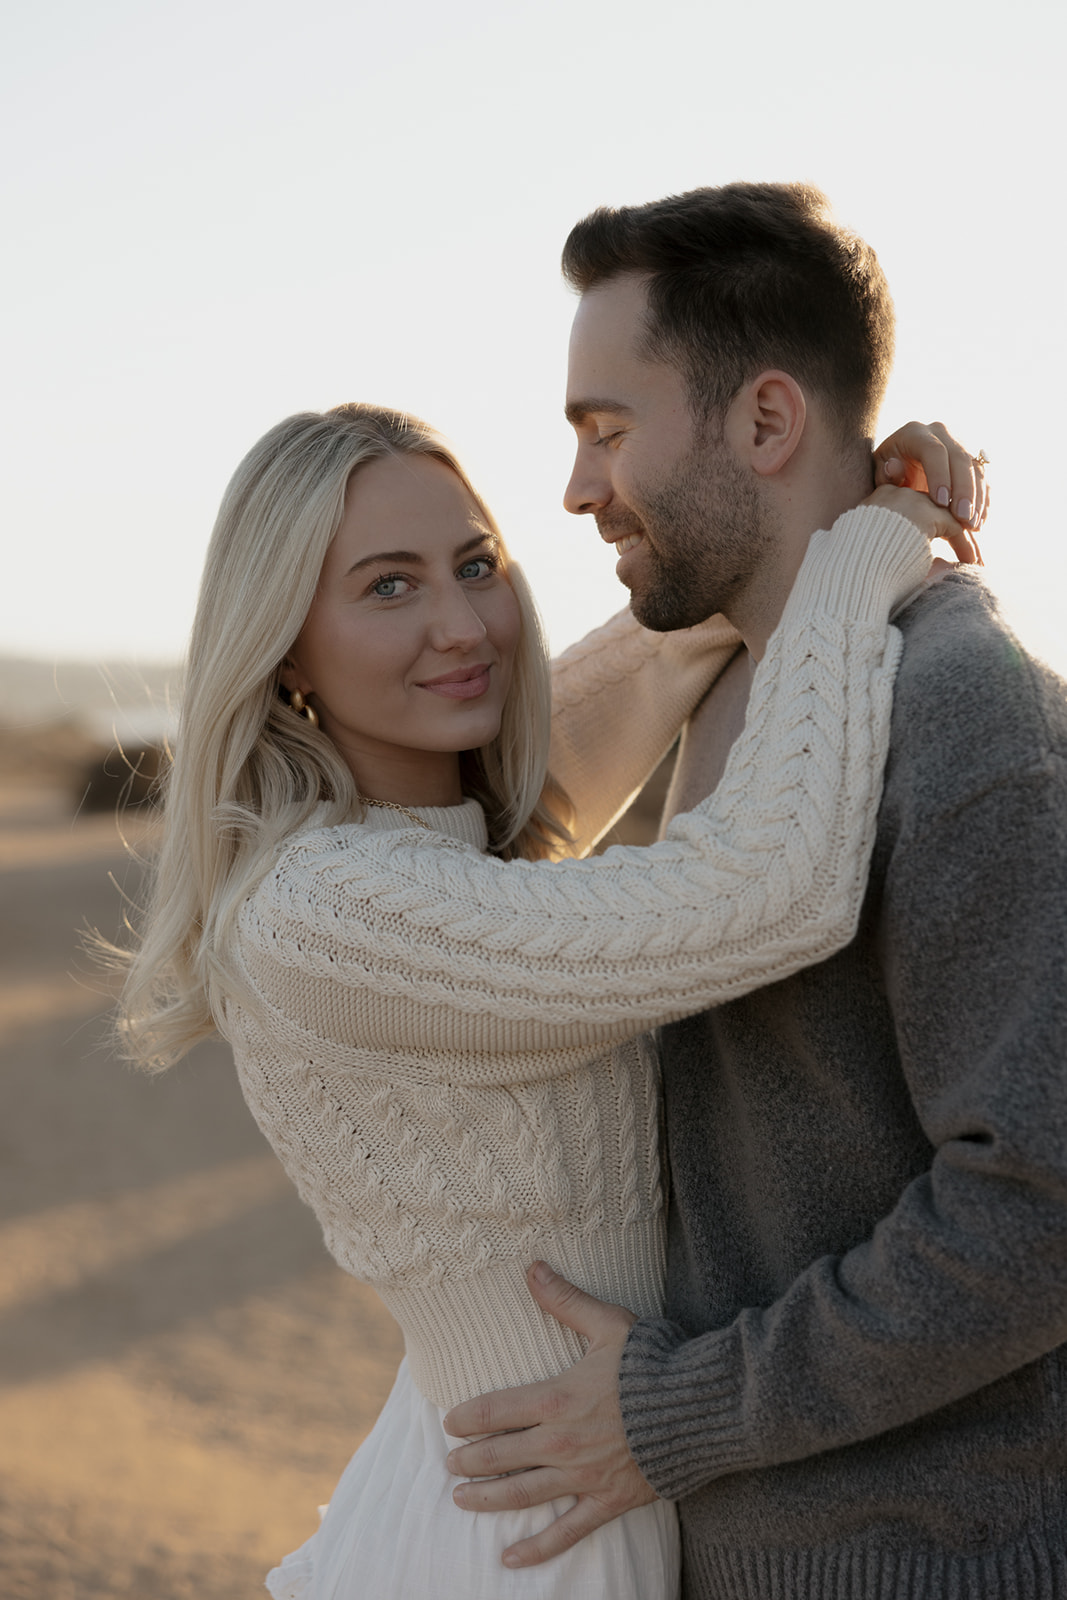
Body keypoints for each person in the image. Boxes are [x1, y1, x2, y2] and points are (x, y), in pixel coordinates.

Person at [115, 398, 972, 1600]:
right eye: (386, 587)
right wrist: (866, 551)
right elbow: (770, 890)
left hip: (552, 1485)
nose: (463, 625)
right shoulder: (327, 911)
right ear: (284, 645)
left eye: (476, 565)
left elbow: (635, 676)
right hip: (518, 1539)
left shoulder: (451, 853)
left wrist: (794, 518)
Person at [442, 184, 1067, 1599]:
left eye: (605, 429)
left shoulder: (967, 718)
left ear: (766, 422)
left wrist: (678, 1411)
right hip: (745, 1552)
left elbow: (1037, 1202)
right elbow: (489, 832)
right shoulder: (720, 685)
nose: (576, 487)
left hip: (937, 1564)